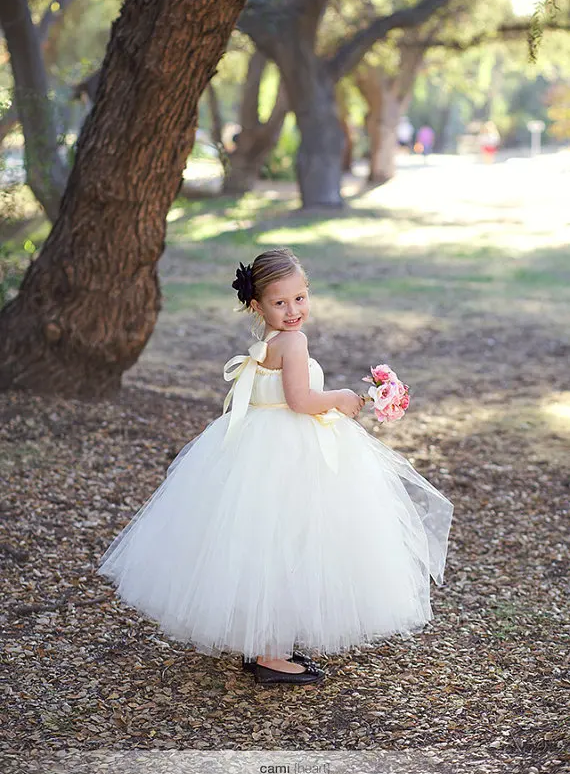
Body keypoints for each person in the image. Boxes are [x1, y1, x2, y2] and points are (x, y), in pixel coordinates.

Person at [97, 248, 453, 687]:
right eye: (280, 303)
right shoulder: (295, 343)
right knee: (290, 539)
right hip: (289, 449)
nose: (293, 311)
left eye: (300, 298)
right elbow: (301, 401)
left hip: (255, 444)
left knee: (259, 538)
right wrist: (342, 397)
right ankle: (271, 654)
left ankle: (264, 637)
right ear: (256, 305)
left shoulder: (265, 344)